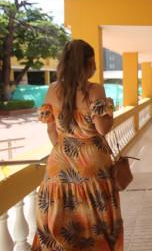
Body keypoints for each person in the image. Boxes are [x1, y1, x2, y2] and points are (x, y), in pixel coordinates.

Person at [32, 40, 123, 251]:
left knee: (60, 225)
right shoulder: (95, 90)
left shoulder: (52, 90)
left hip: (58, 168)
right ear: (88, 63)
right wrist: (109, 113)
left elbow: (51, 130)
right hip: (93, 170)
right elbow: (102, 128)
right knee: (95, 227)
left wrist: (66, 153)